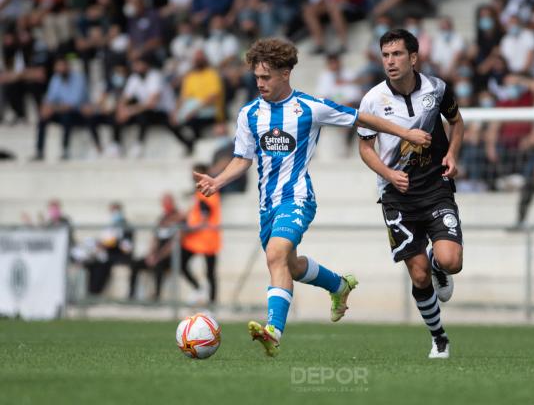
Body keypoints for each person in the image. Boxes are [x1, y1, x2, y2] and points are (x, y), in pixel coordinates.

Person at [193, 37, 431, 357]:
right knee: (288, 265)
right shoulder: (249, 114)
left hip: (298, 198)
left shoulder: (309, 107)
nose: (260, 83)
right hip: (267, 206)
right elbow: (242, 158)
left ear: (285, 73)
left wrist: (405, 132)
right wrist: (217, 180)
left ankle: (273, 331)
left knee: (276, 254)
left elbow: (361, 118)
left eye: (266, 77)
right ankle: (338, 285)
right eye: (256, 77)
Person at [356, 29, 464, 359]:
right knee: (418, 276)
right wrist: (389, 174)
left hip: (435, 187)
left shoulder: (437, 89)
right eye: (385, 55)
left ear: (413, 58)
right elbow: (365, 147)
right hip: (396, 195)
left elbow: (457, 122)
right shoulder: (372, 100)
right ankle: (439, 338)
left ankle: (438, 264)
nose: (390, 61)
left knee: (451, 261)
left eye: (397, 54)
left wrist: (453, 154)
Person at [128, 193, 184, 301]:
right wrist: (150, 255)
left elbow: (172, 244)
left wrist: (158, 256)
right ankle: (131, 294)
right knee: (135, 263)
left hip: (169, 257)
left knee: (159, 266)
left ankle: (157, 296)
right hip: (156, 255)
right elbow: (155, 238)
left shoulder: (179, 218)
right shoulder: (161, 218)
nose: (165, 205)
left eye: (167, 203)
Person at [181, 164, 222, 305]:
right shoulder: (202, 192)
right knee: (183, 263)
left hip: (206, 238)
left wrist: (190, 228)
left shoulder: (208, 192)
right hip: (198, 239)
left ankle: (211, 302)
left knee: (210, 273)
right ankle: (201, 291)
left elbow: (205, 214)